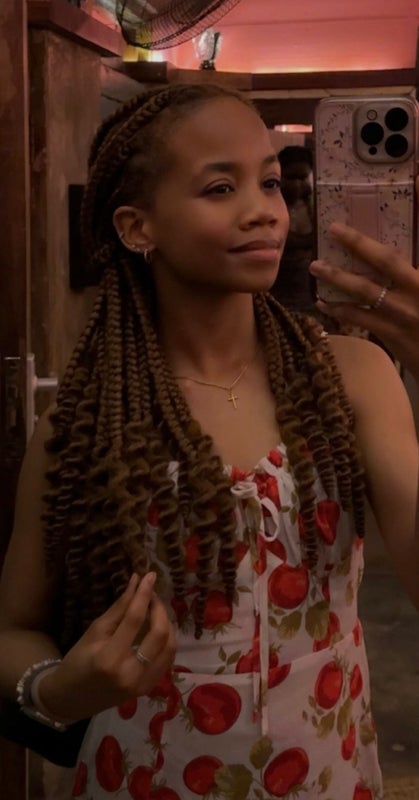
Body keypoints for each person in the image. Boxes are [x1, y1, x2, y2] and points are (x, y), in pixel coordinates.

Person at [0, 83, 418, 800]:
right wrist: (59, 689)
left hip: (326, 770)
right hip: (145, 774)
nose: (264, 210)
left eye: (269, 182)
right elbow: (13, 629)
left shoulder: (350, 375)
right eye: (220, 187)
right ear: (137, 227)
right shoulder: (89, 418)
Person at [270, 145, 317, 314]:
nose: (297, 184)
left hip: (308, 294)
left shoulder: (314, 206)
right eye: (291, 177)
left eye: (302, 177)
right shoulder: (270, 206)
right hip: (276, 294)